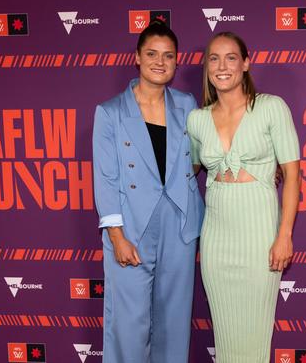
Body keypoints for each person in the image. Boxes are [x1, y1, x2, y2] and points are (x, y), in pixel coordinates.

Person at [92, 21, 204, 363]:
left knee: (173, 320)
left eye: (168, 55)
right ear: (137, 58)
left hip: (180, 225)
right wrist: (116, 236)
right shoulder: (110, 112)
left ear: (176, 61)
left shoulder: (187, 105)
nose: (160, 61)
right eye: (152, 54)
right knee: (128, 323)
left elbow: (204, 155)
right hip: (131, 227)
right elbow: (106, 178)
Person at [187, 32, 301, 363]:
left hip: (260, 235)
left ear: (246, 63)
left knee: (255, 334)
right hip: (216, 239)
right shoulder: (196, 120)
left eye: (231, 57)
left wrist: (284, 235)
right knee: (225, 336)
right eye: (214, 58)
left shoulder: (271, 108)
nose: (222, 66)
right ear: (207, 66)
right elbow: (184, 172)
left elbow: (292, 175)